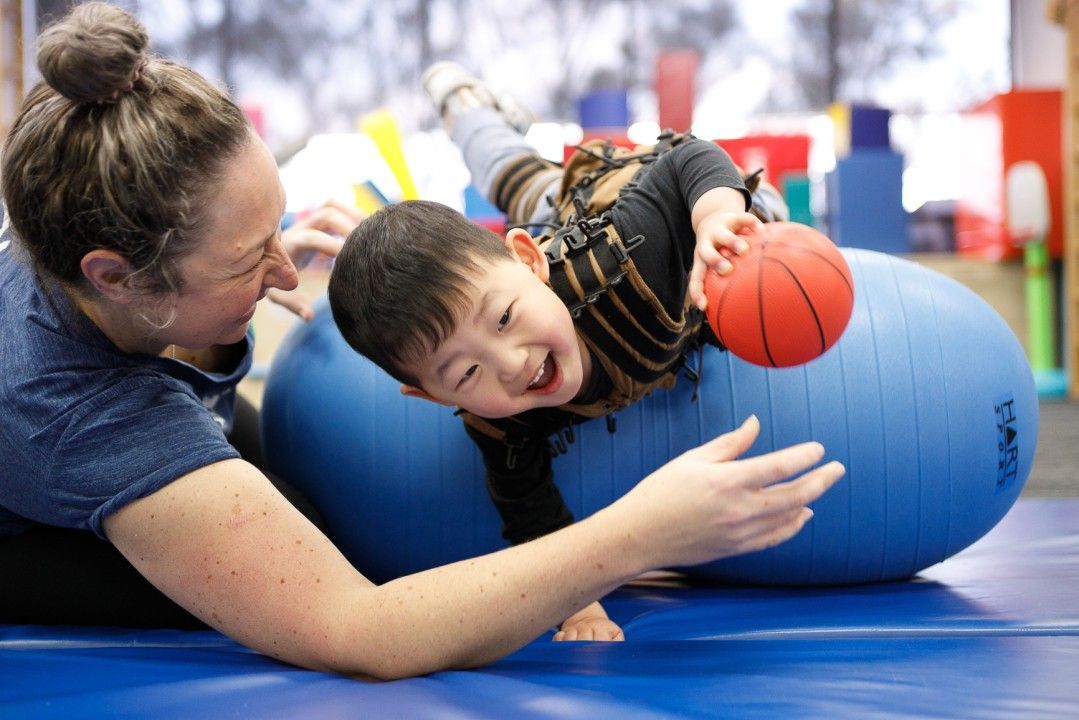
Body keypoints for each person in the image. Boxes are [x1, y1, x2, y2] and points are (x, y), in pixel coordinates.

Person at [1, 4, 843, 680]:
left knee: (298, 496)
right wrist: (643, 533)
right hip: (32, 503)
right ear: (114, 276)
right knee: (295, 551)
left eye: (275, 226)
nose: (288, 277)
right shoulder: (71, 410)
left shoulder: (68, 235)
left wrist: (220, 320)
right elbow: (360, 628)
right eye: (245, 258)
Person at [328, 65, 796, 641]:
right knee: (528, 199)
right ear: (429, 395)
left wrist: (716, 217)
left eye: (504, 320)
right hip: (549, 244)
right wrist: (580, 606)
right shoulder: (497, 424)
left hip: (604, 197)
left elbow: (688, 159)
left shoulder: (630, 256)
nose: (512, 363)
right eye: (467, 371)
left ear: (529, 260)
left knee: (514, 175)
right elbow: (531, 513)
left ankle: (463, 101)